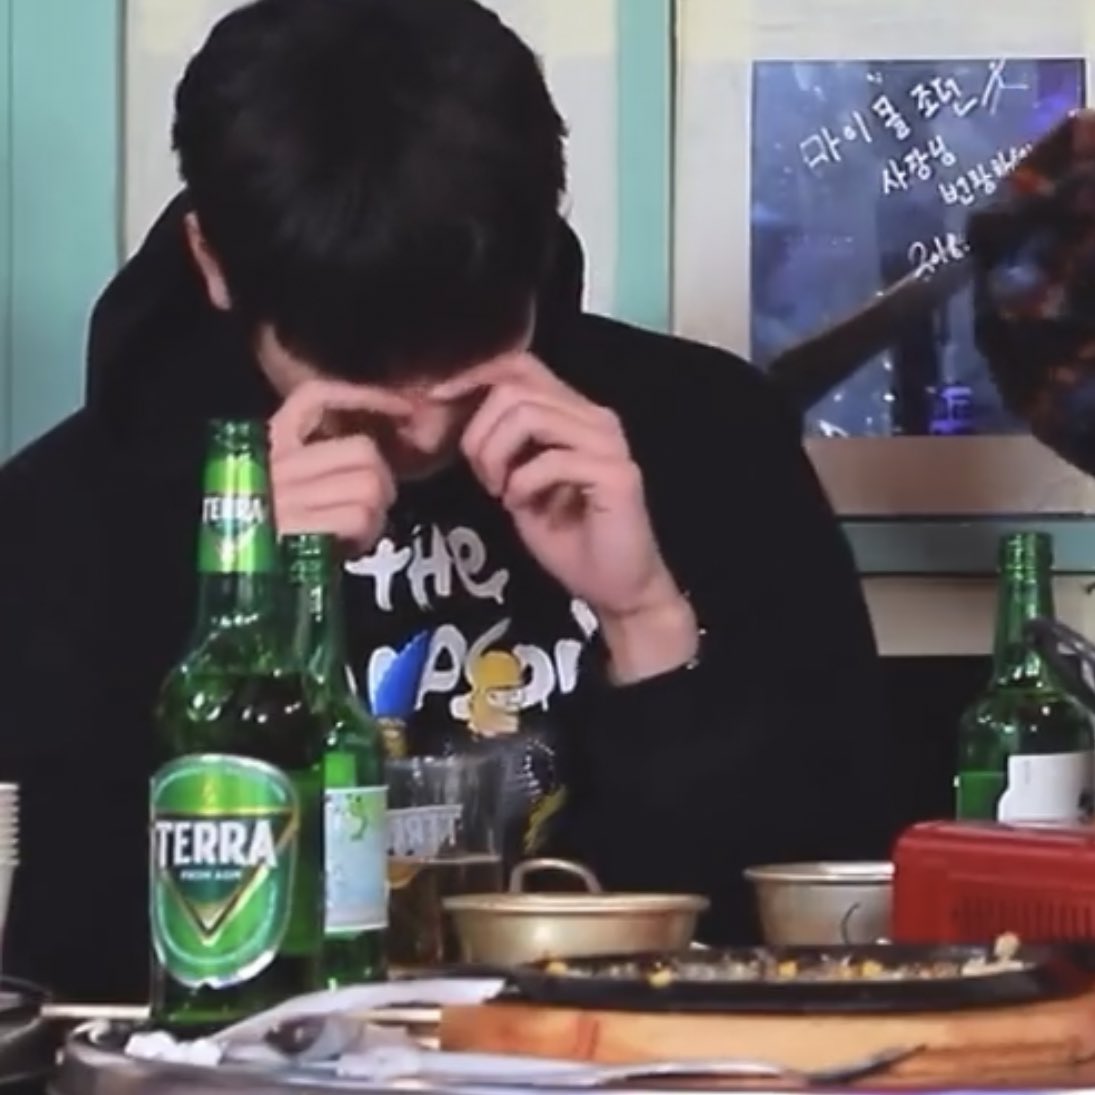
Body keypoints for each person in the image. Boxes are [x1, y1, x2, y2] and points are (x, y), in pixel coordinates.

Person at [0, 0, 898, 1002]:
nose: (424, 426)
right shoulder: (69, 512)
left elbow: (836, 925)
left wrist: (647, 623)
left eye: (470, 350)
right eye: (350, 367)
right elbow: (71, 970)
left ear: (536, 246)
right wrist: (240, 616)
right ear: (212, 261)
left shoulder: (709, 436)